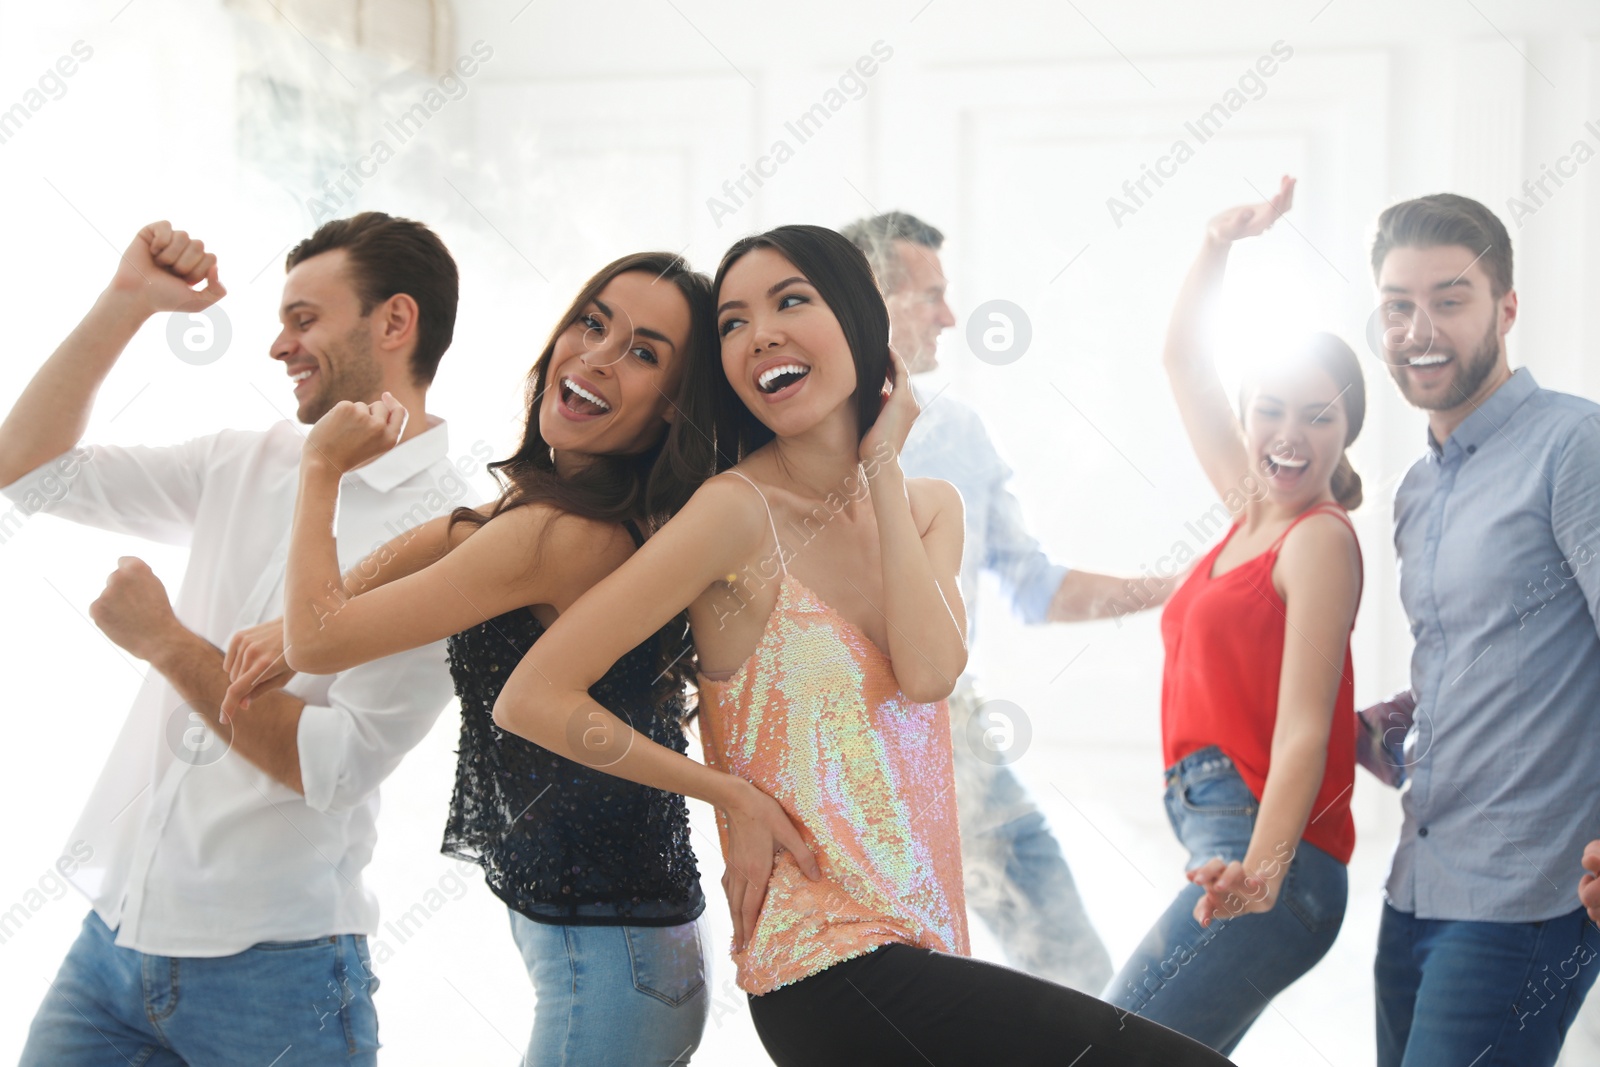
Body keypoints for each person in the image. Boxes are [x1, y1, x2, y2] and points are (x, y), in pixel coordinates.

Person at [490, 224, 1235, 1066]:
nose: (759, 331)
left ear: (859, 322)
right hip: (824, 965)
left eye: (791, 300)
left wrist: (879, 462)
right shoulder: (733, 514)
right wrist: (726, 793)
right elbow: (534, 697)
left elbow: (928, 671)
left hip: (927, 946)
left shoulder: (928, 507)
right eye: (733, 322)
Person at [222, 253, 716, 1065]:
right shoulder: (562, 508)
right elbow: (459, 530)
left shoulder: (556, 535)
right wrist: (303, 615)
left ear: (672, 411)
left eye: (643, 352)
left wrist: (322, 471)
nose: (595, 355)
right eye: (593, 322)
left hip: (613, 967)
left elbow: (321, 640)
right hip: (624, 954)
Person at [2, 214, 465, 1065]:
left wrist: (168, 642)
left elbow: (332, 764)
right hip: (115, 941)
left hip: (277, 976)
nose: (278, 345)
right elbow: (25, 468)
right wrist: (125, 304)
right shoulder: (246, 460)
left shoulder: (449, 533)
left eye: (304, 318)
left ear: (395, 322)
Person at [1101, 177, 1365, 1054]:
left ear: (1345, 432)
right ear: (1248, 419)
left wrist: (1263, 870)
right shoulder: (1246, 514)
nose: (1292, 433)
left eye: (1319, 416)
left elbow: (1301, 733)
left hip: (1271, 854)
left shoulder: (1316, 541)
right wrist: (1216, 245)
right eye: (1273, 410)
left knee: (1101, 1045)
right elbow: (1181, 361)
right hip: (1220, 833)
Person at [1354, 191, 1600, 1067]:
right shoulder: (1418, 491)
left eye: (1450, 300)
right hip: (1418, 882)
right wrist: (1381, 726)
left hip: (1525, 896)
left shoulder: (1574, 445)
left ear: (1506, 308)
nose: (1420, 328)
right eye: (1398, 304)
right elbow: (1494, 662)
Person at [839, 210, 1113, 993]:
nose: (950, 317)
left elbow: (1034, 585)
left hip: (959, 736)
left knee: (1079, 971)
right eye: (929, 296)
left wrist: (1177, 583)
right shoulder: (788, 439)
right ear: (868, 299)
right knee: (916, 988)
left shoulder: (960, 433)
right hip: (853, 757)